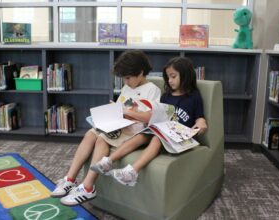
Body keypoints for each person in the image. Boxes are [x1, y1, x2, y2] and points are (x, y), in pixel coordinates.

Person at [51, 50, 161, 205]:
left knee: (101, 138)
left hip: (133, 130)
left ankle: (88, 187)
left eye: (128, 78)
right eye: (123, 78)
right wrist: (115, 109)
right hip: (120, 125)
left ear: (141, 72)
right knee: (90, 134)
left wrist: (126, 112)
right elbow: (124, 106)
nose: (126, 82)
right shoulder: (127, 88)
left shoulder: (152, 90)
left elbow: (151, 116)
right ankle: (70, 179)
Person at [90, 56, 208, 187]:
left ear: (186, 75)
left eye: (173, 77)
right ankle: (108, 162)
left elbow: (200, 117)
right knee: (143, 134)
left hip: (181, 137)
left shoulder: (194, 96)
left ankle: (132, 172)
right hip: (163, 131)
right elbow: (159, 114)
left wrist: (201, 124)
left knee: (157, 138)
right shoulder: (166, 96)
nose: (170, 81)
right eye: (168, 77)